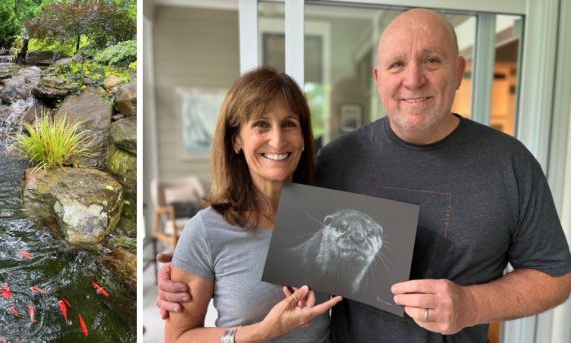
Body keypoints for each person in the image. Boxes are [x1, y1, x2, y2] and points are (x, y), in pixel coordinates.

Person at [156, 8, 571, 342]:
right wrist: (186, 266)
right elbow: (257, 229)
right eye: (396, 64)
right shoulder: (337, 161)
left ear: (459, 71)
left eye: (432, 60)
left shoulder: (510, 163)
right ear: (379, 78)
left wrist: (472, 305)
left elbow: (556, 276)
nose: (413, 79)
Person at [164, 66, 342, 343]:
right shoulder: (206, 230)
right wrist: (263, 331)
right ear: (236, 139)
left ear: (304, 138)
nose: (277, 139)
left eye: (289, 124)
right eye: (261, 124)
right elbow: (178, 338)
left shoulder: (327, 216)